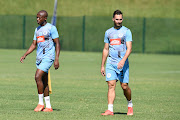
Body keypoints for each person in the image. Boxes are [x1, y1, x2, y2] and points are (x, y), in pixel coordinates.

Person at [20, 10, 60, 112]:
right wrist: (25, 54)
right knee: (44, 81)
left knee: (37, 76)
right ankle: (49, 106)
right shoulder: (37, 30)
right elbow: (34, 44)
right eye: (36, 17)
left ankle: (40, 103)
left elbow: (57, 43)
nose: (37, 19)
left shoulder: (51, 28)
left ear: (45, 18)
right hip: (39, 58)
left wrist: (57, 59)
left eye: (39, 17)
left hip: (48, 57)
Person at [101, 10, 133, 116]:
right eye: (117, 19)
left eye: (120, 19)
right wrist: (102, 65)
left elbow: (129, 48)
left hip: (123, 63)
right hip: (111, 62)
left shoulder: (127, 31)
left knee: (124, 86)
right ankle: (110, 109)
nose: (118, 21)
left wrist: (123, 61)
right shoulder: (108, 32)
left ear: (122, 19)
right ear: (113, 19)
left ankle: (130, 104)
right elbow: (106, 49)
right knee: (111, 85)